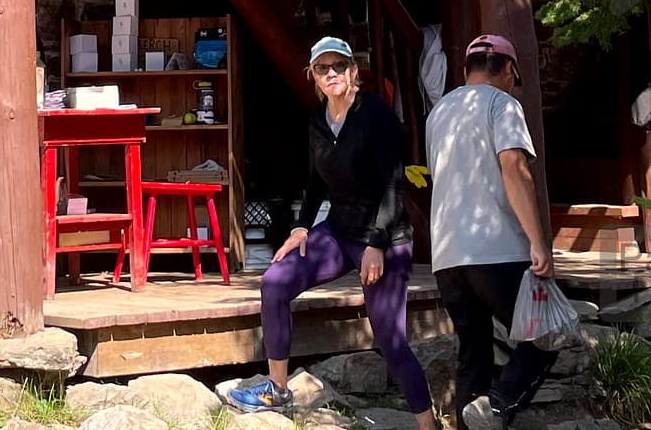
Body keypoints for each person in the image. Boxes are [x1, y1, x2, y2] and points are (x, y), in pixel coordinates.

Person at [226, 37, 433, 426]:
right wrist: (302, 227)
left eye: (339, 66)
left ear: (354, 71)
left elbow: (392, 185)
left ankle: (427, 424)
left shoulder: (378, 116)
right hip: (338, 232)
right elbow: (316, 181)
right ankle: (277, 389)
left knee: (390, 339)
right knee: (274, 283)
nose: (332, 73)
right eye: (323, 68)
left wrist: (376, 243)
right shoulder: (317, 121)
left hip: (385, 239)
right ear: (314, 76)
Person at [426, 35, 558, 430]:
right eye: (514, 76)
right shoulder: (503, 104)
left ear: (467, 69)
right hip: (496, 248)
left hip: (447, 256)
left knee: (474, 352)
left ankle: (475, 420)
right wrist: (538, 241)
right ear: (507, 69)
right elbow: (515, 170)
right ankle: (498, 406)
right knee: (546, 333)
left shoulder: (438, 113)